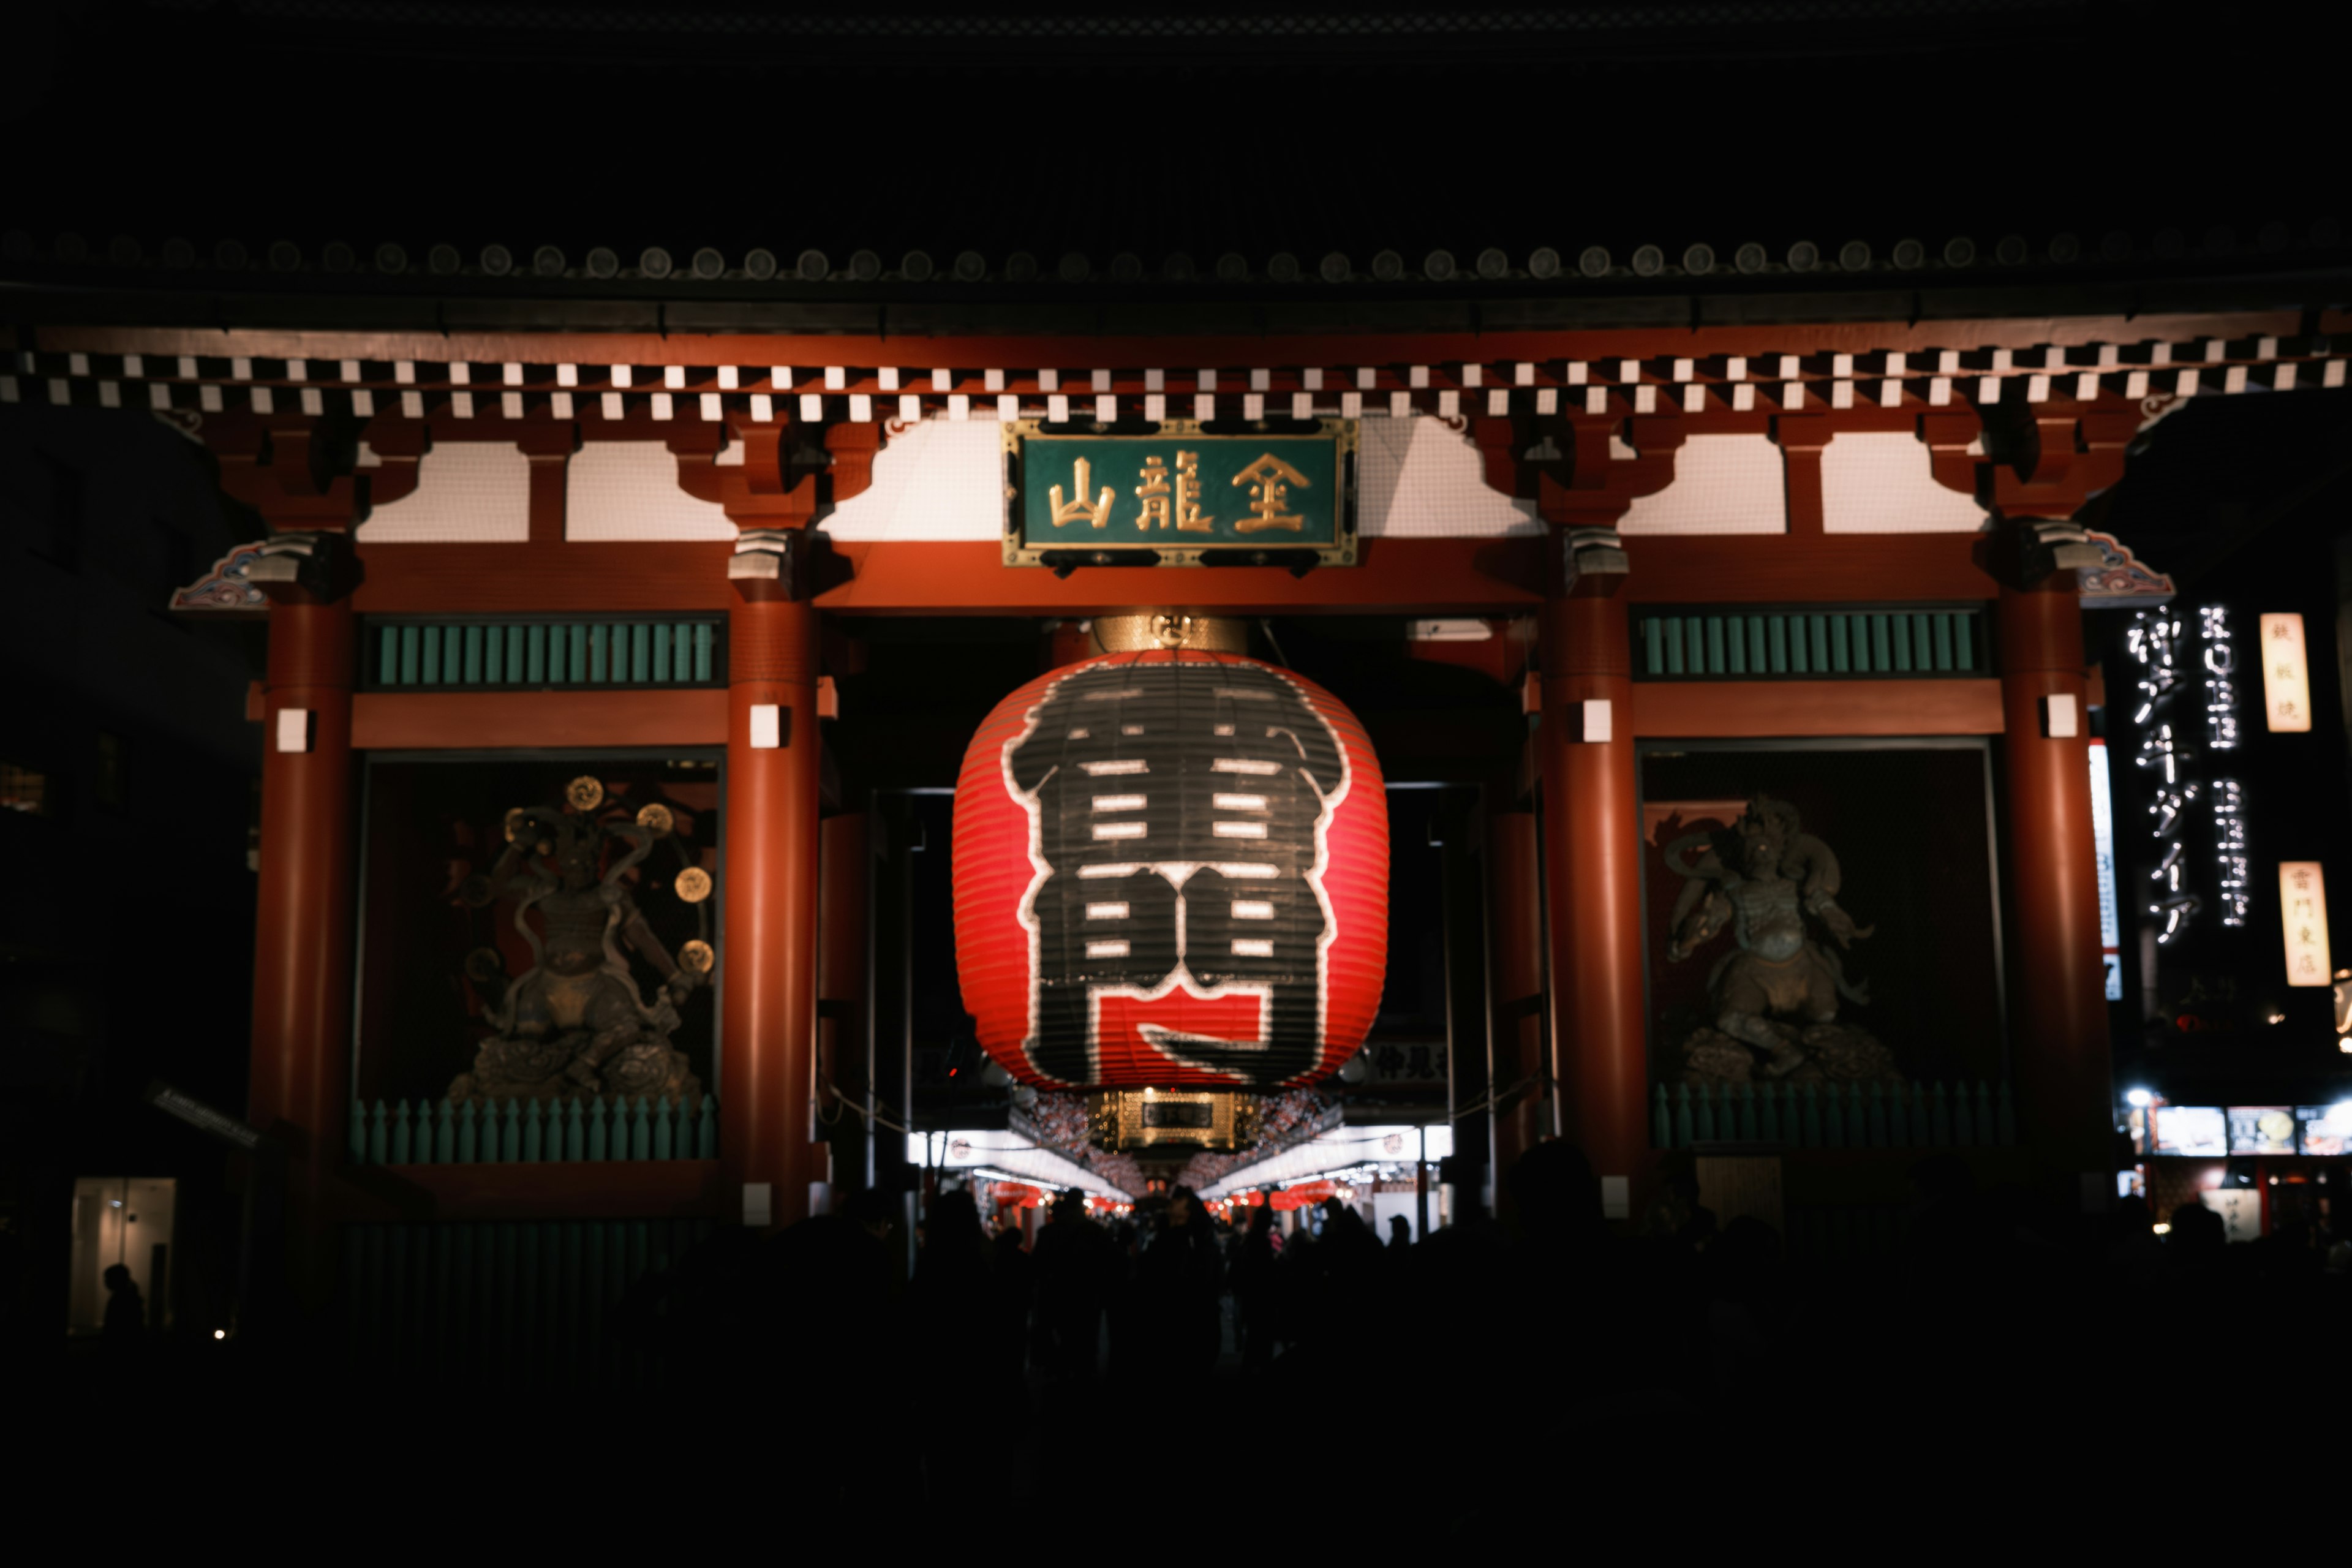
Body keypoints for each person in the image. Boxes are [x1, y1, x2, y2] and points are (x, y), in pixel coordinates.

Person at [1032, 1190, 1120, 1385]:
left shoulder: (1048, 1233)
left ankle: (1060, 1377)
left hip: (1056, 1297)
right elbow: (1108, 1266)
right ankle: (1083, 1378)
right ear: (1081, 1206)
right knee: (1086, 1341)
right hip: (1087, 1297)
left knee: (1061, 1339)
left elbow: (1037, 1267)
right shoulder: (1094, 1232)